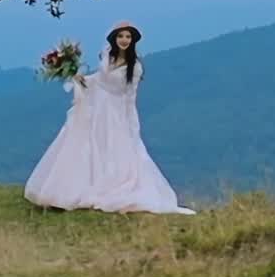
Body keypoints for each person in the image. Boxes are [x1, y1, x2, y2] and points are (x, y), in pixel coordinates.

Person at [24, 20, 194, 214]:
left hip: (115, 112)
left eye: (128, 37)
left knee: (112, 149)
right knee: (86, 145)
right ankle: (76, 188)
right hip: (96, 107)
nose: (124, 40)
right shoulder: (107, 56)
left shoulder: (135, 67)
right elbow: (99, 79)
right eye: (121, 36)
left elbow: (130, 96)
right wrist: (80, 78)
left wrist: (131, 124)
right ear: (115, 39)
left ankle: (108, 188)